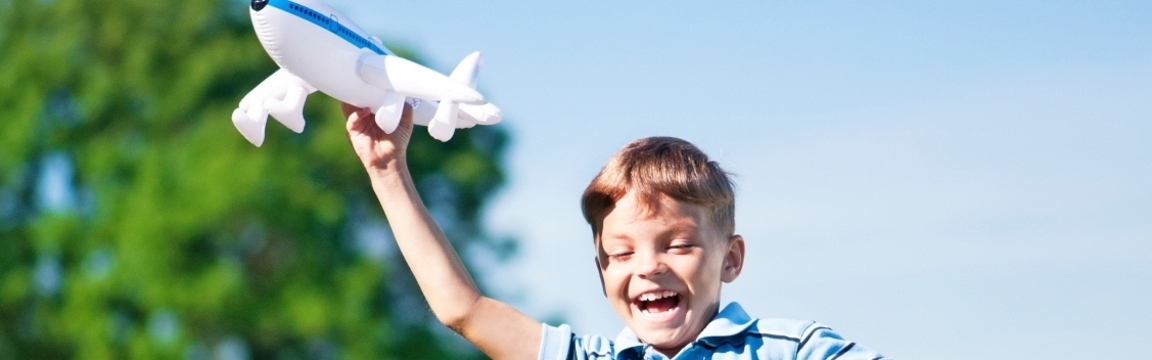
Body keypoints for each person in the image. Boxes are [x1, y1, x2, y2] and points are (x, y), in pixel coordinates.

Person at [342, 103, 887, 360]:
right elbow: (464, 310)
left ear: (731, 258)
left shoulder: (794, 350)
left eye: (677, 244)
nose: (648, 266)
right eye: (620, 254)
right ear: (602, 273)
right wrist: (387, 172)